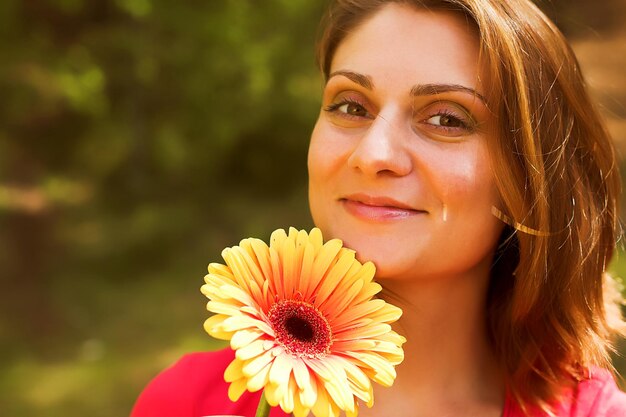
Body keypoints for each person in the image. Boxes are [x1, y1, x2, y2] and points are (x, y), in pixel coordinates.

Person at [130, 0, 626, 416]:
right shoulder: (189, 402)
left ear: (529, 175)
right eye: (350, 106)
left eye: (447, 118)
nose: (374, 154)